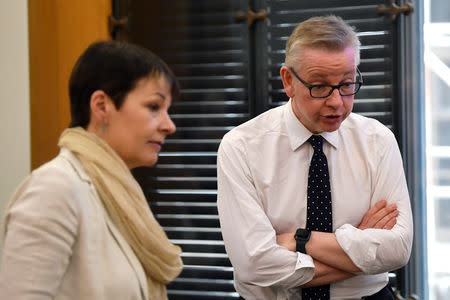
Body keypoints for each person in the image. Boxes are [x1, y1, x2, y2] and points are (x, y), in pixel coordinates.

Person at [217, 15, 413, 300]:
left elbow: (398, 249)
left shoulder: (377, 140)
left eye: (347, 84)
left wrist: (302, 240)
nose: (336, 102)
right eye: (319, 86)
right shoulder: (242, 146)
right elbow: (254, 265)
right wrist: (361, 254)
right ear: (288, 81)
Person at [0, 40, 183, 300]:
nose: (169, 125)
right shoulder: (55, 188)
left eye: (167, 110)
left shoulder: (118, 193)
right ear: (101, 106)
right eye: (154, 107)